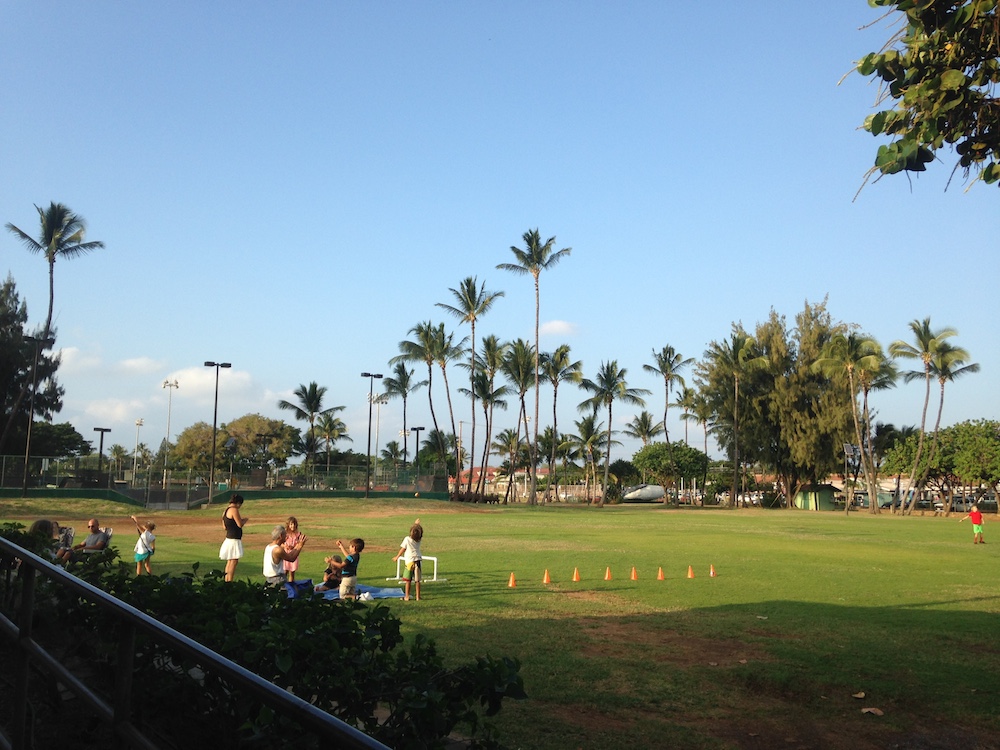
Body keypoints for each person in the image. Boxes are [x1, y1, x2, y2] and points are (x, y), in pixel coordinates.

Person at [392, 519, 423, 601]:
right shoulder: (419, 540)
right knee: (417, 580)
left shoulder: (407, 539)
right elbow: (417, 532)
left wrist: (397, 556)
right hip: (418, 561)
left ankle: (407, 596)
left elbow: (403, 549)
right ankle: (418, 596)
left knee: (408, 580)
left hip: (409, 562)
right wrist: (416, 524)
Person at [219, 495, 249, 582]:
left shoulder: (225, 511)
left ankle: (226, 580)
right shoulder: (234, 510)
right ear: (238, 503)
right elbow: (240, 524)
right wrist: (245, 520)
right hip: (234, 539)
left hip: (229, 538)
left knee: (230, 561)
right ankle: (230, 581)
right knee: (233, 562)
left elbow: (224, 527)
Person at [282, 516, 303, 583]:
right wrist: (285, 546)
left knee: (292, 572)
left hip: (294, 554)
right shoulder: (286, 534)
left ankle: (291, 585)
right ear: (288, 525)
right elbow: (281, 544)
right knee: (285, 571)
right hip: (286, 554)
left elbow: (300, 544)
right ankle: (282, 585)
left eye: (294, 524)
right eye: (291, 524)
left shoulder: (298, 534)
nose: (293, 526)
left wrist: (294, 546)